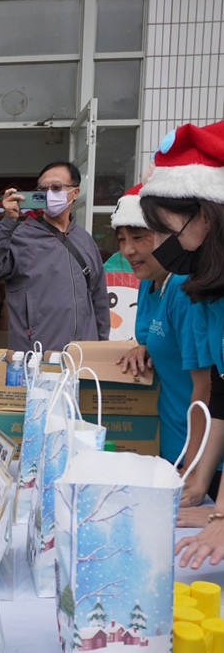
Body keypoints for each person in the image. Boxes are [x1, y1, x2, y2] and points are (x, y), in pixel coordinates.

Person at [138, 120, 224, 569]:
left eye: (165, 231)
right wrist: (198, 482)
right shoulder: (209, 294)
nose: (158, 246)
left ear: (206, 217)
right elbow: (221, 397)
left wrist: (222, 514)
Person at [111, 184, 211, 473]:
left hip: (198, 457)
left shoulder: (183, 289)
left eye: (139, 237)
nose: (128, 250)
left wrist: (193, 471)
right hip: (168, 445)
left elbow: (207, 388)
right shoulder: (148, 281)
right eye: (121, 239)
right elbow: (155, 337)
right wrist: (142, 347)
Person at [0, 161, 110, 352]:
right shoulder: (20, 236)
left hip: (82, 355)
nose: (49, 194)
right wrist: (7, 223)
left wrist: (102, 346)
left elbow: (99, 297)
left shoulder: (85, 240)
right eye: (43, 189)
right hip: (36, 355)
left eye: (56, 188)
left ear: (75, 192)